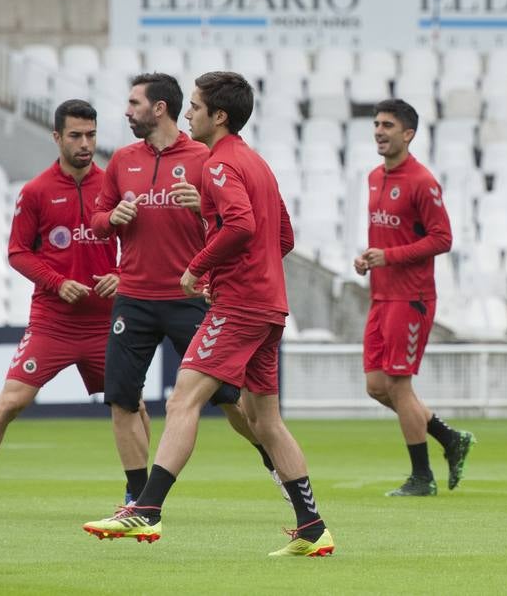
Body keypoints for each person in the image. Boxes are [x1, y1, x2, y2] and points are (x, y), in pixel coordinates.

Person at [84, 72, 333, 557]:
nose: (189, 113)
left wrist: (199, 269)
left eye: (196, 106)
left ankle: (146, 510)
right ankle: (312, 527)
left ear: (218, 116)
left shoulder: (217, 164)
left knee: (182, 401)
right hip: (269, 306)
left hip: (239, 306)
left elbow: (240, 224)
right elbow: (283, 237)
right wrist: (253, 272)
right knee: (266, 421)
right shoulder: (255, 162)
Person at [91, 72, 284, 504]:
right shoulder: (122, 160)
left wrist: (202, 218)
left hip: (191, 296)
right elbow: (97, 221)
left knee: (229, 400)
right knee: (122, 399)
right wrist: (112, 218)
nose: (127, 111)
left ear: (160, 108)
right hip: (135, 295)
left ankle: (269, 457)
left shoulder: (207, 158)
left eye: (134, 103)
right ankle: (138, 496)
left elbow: (237, 224)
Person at [0, 100, 122, 520]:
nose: (85, 144)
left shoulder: (113, 186)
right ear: (57, 137)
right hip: (54, 321)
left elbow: (139, 245)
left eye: (91, 135)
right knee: (10, 401)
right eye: (76, 135)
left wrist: (123, 276)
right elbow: (18, 253)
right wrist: (59, 284)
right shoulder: (37, 191)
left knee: (128, 404)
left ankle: (138, 497)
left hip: (105, 322)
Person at [356, 98, 473, 497]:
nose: (379, 131)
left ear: (408, 134)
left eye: (387, 125)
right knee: (376, 386)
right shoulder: (374, 177)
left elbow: (443, 238)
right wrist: (371, 259)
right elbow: (390, 233)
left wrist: (389, 256)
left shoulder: (422, 181)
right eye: (376, 124)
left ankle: (421, 477)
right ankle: (448, 438)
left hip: (411, 298)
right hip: (381, 295)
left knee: (399, 387)